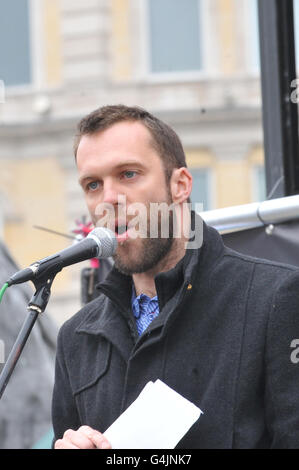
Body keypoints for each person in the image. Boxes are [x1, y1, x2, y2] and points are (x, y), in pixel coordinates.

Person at [52, 105, 299, 449]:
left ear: (180, 184)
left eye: (128, 174)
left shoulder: (276, 298)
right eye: (93, 184)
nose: (108, 200)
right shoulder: (75, 339)